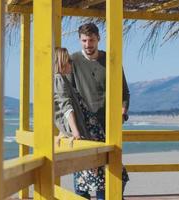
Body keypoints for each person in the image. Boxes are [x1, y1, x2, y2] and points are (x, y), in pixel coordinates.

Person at [69, 22, 130, 199]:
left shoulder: (111, 60)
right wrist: (68, 128)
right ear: (80, 40)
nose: (88, 45)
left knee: (114, 175)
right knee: (82, 178)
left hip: (108, 127)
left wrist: (123, 111)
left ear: (99, 39)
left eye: (92, 40)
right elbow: (67, 97)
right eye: (84, 40)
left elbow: (124, 92)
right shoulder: (73, 61)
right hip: (84, 127)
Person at [53, 47, 107, 199]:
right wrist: (75, 133)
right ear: (62, 62)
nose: (71, 63)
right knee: (98, 175)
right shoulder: (58, 79)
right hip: (86, 131)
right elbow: (66, 108)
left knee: (95, 174)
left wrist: (63, 132)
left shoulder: (62, 79)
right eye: (69, 61)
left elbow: (64, 110)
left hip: (88, 129)